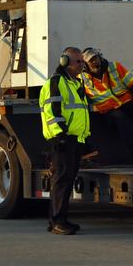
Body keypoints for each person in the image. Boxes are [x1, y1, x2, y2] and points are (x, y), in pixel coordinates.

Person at [40, 46, 91, 235]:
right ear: (65, 62)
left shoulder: (75, 83)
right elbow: (52, 111)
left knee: (67, 181)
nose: (82, 65)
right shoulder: (56, 82)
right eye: (78, 61)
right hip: (63, 140)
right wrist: (61, 136)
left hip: (75, 139)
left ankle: (59, 220)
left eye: (82, 61)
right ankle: (57, 222)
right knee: (61, 181)